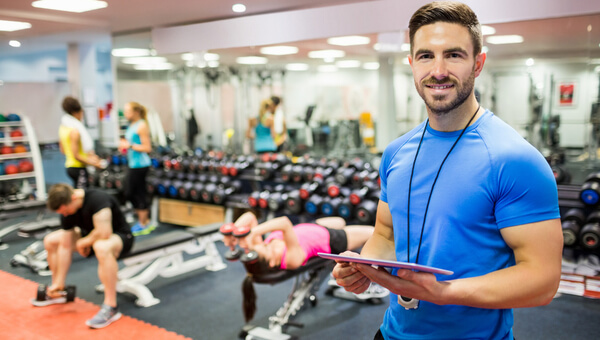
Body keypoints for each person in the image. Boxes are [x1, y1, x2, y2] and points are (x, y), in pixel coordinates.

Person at [331, 2, 563, 340]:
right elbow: (386, 235)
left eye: (453, 55)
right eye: (426, 56)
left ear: (478, 63)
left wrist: (444, 292)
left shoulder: (515, 159)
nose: (438, 70)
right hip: (392, 333)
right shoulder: (396, 152)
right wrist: (366, 268)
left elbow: (542, 280)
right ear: (412, 64)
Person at [224, 212, 376, 322]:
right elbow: (284, 222)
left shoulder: (262, 248)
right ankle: (374, 279)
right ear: (271, 263)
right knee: (374, 233)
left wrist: (233, 232)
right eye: (264, 249)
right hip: (330, 238)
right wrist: (252, 233)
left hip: (312, 227)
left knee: (341, 219)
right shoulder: (291, 260)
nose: (261, 244)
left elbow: (250, 217)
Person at [32, 183, 134, 329]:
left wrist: (83, 242)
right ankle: (58, 290)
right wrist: (59, 282)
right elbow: (66, 246)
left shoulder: (98, 199)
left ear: (73, 198)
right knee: (51, 240)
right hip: (90, 237)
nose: (65, 215)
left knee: (101, 247)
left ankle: (111, 306)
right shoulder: (66, 211)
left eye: (66, 211)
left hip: (120, 237)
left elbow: (104, 232)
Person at [118, 102, 154, 236]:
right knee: (129, 193)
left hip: (141, 165)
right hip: (133, 164)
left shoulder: (142, 125)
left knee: (136, 193)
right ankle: (145, 220)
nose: (125, 113)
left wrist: (130, 145)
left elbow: (147, 148)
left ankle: (144, 223)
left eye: (128, 111)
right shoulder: (131, 125)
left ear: (136, 112)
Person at [59, 96, 104, 188]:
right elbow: (76, 156)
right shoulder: (75, 131)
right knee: (82, 196)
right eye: (82, 113)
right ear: (76, 113)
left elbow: (63, 150)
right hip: (78, 167)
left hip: (69, 166)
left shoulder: (62, 128)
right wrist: (94, 163)